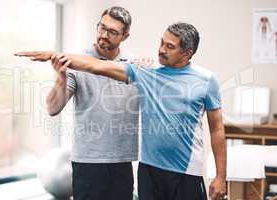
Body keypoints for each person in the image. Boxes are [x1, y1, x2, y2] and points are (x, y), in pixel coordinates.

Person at [16, 22, 227, 200]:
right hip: (149, 172)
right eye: (161, 42)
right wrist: (56, 56)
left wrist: (220, 176)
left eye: (169, 46)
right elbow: (95, 66)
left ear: (187, 53)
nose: (161, 49)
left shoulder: (207, 80)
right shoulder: (146, 73)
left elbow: (217, 129)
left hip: (186, 173)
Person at [17, 6, 144, 200]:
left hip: (122, 162)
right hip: (88, 162)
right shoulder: (76, 63)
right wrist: (61, 77)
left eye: (112, 32)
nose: (104, 35)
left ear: (125, 36)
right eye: (101, 27)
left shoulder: (134, 64)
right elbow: (52, 108)